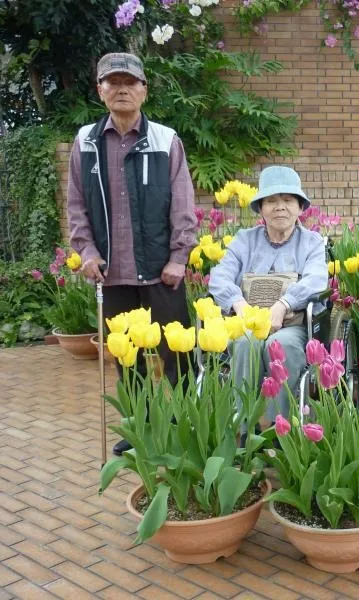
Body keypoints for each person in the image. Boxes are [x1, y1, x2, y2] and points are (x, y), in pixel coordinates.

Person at [67, 53, 198, 456]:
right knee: (128, 360)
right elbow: (75, 204)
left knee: (178, 356)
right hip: (112, 273)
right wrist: (85, 250)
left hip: (162, 270)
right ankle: (141, 428)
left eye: (130, 82)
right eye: (113, 82)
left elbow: (183, 203)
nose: (122, 89)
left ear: (144, 90)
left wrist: (180, 256)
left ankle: (189, 422)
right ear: (100, 90)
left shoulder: (165, 140)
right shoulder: (85, 142)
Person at [208, 166, 327, 425]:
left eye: (287, 200)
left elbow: (317, 280)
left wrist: (283, 304)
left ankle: (278, 427)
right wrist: (237, 303)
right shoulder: (244, 240)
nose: (280, 207)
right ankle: (244, 426)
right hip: (248, 323)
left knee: (280, 345)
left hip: (292, 325)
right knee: (244, 344)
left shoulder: (312, 243)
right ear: (260, 208)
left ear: (299, 207)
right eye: (271, 201)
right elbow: (219, 276)